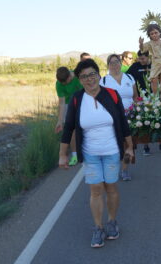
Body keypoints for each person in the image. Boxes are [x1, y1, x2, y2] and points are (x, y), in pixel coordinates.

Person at [59, 59, 134, 248]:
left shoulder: (111, 94)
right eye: (84, 76)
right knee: (96, 190)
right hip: (90, 153)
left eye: (92, 74)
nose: (89, 79)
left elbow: (123, 124)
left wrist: (130, 147)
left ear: (99, 75)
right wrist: (63, 154)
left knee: (111, 188)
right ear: (79, 80)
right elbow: (68, 128)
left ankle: (112, 221)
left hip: (111, 151)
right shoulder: (77, 99)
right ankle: (98, 227)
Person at [100, 54, 138, 181]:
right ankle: (113, 168)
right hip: (113, 118)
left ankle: (124, 170)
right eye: (111, 63)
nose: (115, 65)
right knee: (116, 145)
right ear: (108, 65)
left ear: (120, 63)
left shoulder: (129, 77)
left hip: (130, 116)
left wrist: (138, 112)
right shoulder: (104, 81)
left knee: (128, 144)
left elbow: (135, 97)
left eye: (116, 62)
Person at [55, 66, 83, 166]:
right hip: (69, 104)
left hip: (82, 101)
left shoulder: (78, 77)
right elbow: (62, 104)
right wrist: (60, 120)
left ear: (70, 77)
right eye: (62, 83)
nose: (64, 85)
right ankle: (75, 155)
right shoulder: (59, 84)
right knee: (71, 129)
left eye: (65, 82)